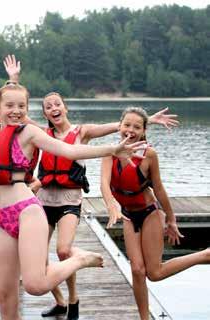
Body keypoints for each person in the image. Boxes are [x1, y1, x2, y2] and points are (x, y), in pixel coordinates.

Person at [0, 9, 146, 320]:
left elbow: (69, 151)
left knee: (34, 285)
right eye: (10, 106)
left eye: (22, 106)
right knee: (6, 297)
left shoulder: (29, 133)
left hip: (27, 211)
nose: (17, 111)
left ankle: (78, 260)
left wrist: (114, 148)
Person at [28, 92, 179, 319]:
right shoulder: (43, 134)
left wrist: (144, 122)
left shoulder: (83, 132)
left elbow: (118, 128)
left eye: (57, 103)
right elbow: (17, 117)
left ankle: (73, 300)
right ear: (45, 113)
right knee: (37, 259)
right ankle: (60, 301)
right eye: (48, 106)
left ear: (65, 107)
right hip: (44, 200)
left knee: (63, 251)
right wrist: (14, 80)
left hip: (70, 200)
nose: (53, 108)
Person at [100, 107, 210, 320]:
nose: (130, 130)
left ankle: (204, 255)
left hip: (149, 212)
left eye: (136, 127)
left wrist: (171, 218)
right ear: (119, 126)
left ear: (143, 131)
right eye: (127, 125)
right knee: (137, 271)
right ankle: (144, 318)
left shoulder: (149, 155)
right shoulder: (109, 152)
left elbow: (158, 189)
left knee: (155, 272)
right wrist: (111, 204)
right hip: (128, 216)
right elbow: (104, 183)